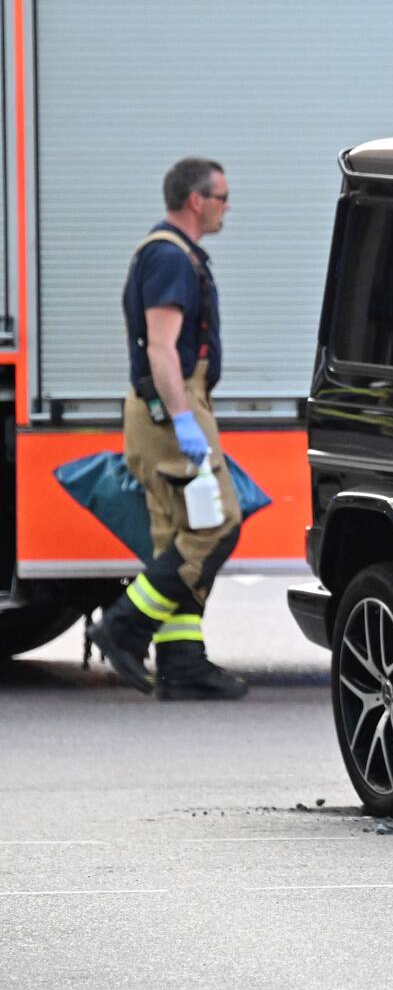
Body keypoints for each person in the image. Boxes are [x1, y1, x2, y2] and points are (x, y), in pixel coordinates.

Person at [86, 157, 246, 700]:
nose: (228, 207)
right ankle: (123, 627)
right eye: (223, 197)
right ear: (196, 200)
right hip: (170, 409)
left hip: (168, 407)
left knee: (177, 534)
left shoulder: (170, 255)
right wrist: (184, 421)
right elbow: (161, 348)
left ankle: (182, 662)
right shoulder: (170, 259)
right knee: (217, 525)